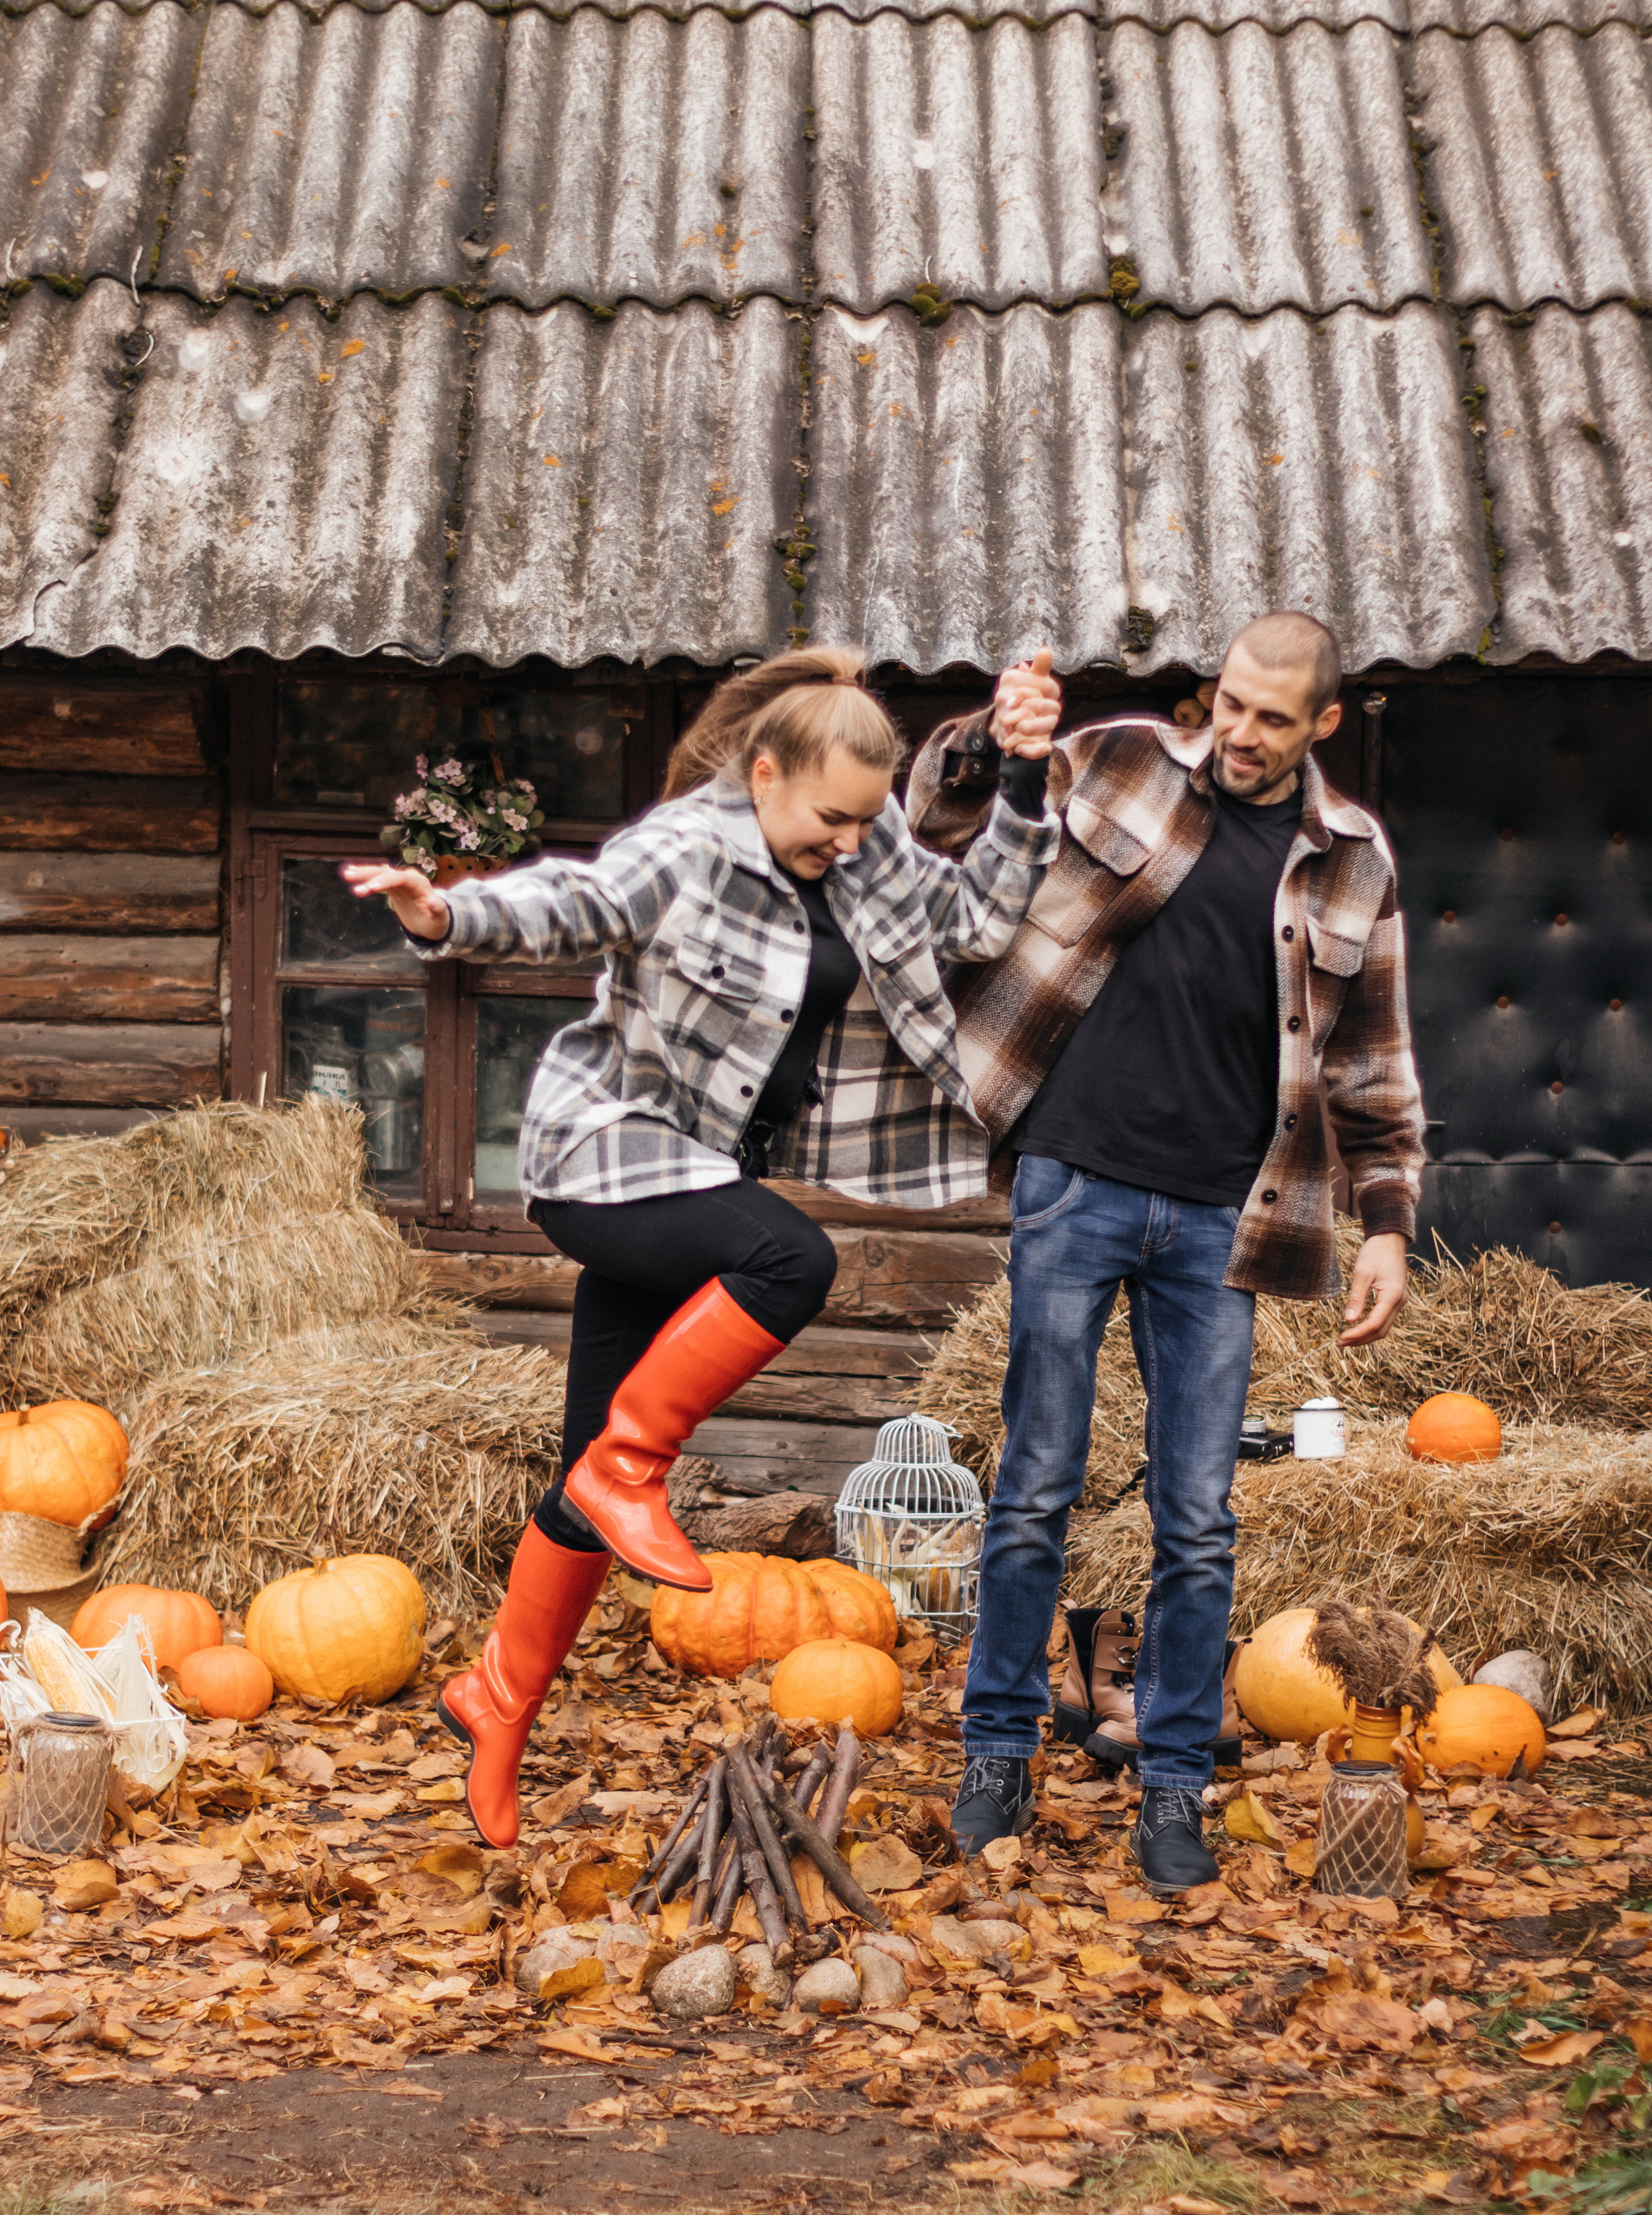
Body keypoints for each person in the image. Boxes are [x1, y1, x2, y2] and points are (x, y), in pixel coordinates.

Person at [344, 647, 1062, 1847]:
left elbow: (982, 914)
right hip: (606, 1158)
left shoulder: (869, 853)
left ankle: (497, 1702)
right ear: (764, 772)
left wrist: (1026, 782)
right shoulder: (685, 847)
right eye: (828, 816)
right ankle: (635, 1476)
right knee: (793, 1262)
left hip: (699, 1175)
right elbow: (571, 900)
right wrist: (446, 912)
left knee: (579, 1475)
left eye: (862, 820)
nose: (845, 839)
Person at [906, 612, 1425, 1892]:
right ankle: (996, 1753)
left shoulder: (1351, 862)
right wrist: (991, 742)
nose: (1236, 733)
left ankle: (1174, 1781)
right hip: (1073, 1177)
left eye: (1268, 716)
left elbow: (1369, 1063)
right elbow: (944, 814)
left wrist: (1386, 1225)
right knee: (1035, 1480)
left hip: (1219, 1218)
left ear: (1319, 724)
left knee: (1196, 1515)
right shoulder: (1122, 762)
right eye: (1227, 703)